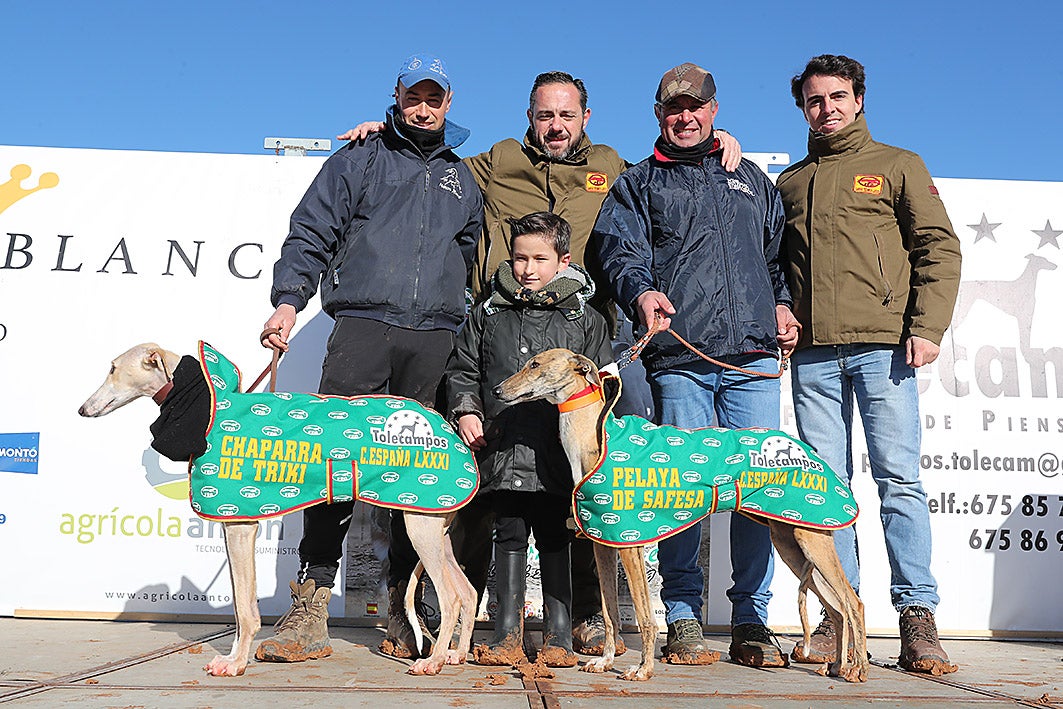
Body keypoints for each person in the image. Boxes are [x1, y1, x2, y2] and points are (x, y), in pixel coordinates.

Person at [339, 71, 741, 654]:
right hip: (506, 339)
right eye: (544, 115)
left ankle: (584, 615)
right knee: (489, 493)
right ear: (530, 118)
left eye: (567, 115)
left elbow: (672, 164)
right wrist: (389, 131)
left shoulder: (614, 165)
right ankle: (468, 614)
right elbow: (432, 161)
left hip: (579, 348)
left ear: (585, 116)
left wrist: (715, 139)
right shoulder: (498, 160)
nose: (555, 126)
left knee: (582, 489)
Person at [258, 53, 483, 663]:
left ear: (449, 102)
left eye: (435, 98)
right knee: (334, 466)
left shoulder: (465, 179)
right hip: (363, 327)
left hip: (433, 339)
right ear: (399, 94)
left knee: (419, 480)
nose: (424, 107)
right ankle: (310, 602)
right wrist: (287, 302)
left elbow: (470, 257)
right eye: (415, 96)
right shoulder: (359, 158)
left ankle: (406, 611)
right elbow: (311, 232)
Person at [591, 62, 800, 667]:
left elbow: (775, 258)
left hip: (752, 359)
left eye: (695, 107)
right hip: (679, 358)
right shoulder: (637, 183)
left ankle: (751, 622)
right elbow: (617, 251)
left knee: (756, 492)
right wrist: (640, 293)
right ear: (658, 115)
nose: (684, 117)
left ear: (713, 109)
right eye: (672, 109)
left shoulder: (752, 180)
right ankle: (681, 616)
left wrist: (782, 306)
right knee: (678, 491)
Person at [777, 54, 961, 674]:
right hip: (813, 357)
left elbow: (939, 246)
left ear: (858, 99)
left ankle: (918, 620)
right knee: (826, 492)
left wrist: (927, 326)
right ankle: (839, 614)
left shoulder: (897, 165)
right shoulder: (791, 182)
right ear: (802, 106)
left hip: (885, 348)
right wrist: (783, 308)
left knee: (898, 482)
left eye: (836, 97)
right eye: (812, 100)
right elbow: (778, 266)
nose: (824, 109)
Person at [447, 211, 613, 667]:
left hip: (560, 455)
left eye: (540, 258)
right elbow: (464, 368)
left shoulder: (586, 318)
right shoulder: (488, 311)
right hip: (503, 446)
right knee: (509, 532)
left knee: (559, 537)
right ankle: (505, 635)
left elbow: (604, 382)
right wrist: (467, 410)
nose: (528, 268)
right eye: (520, 258)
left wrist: (595, 442)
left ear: (563, 260)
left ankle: (559, 637)